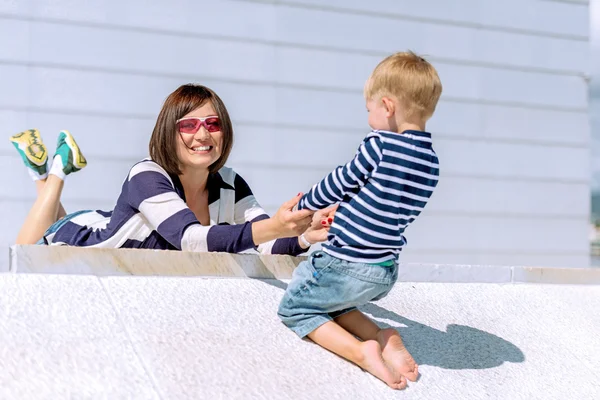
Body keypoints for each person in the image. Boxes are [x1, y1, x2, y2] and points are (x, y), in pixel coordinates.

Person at [277, 51, 443, 390]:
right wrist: (353, 211)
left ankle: (361, 351)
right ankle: (382, 336)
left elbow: (340, 181)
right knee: (333, 304)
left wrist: (305, 205)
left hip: (346, 263)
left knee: (296, 307)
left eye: (369, 110)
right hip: (383, 270)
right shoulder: (431, 163)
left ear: (387, 106)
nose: (369, 118)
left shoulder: (379, 144)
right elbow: (393, 207)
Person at [10, 84, 332, 254]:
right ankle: (56, 172)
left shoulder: (231, 183)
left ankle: (40, 170)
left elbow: (265, 244)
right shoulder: (146, 176)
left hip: (107, 229)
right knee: (22, 254)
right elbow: (191, 240)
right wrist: (276, 226)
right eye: (189, 125)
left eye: (213, 124)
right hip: (79, 240)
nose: (203, 135)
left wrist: (303, 234)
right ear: (168, 131)